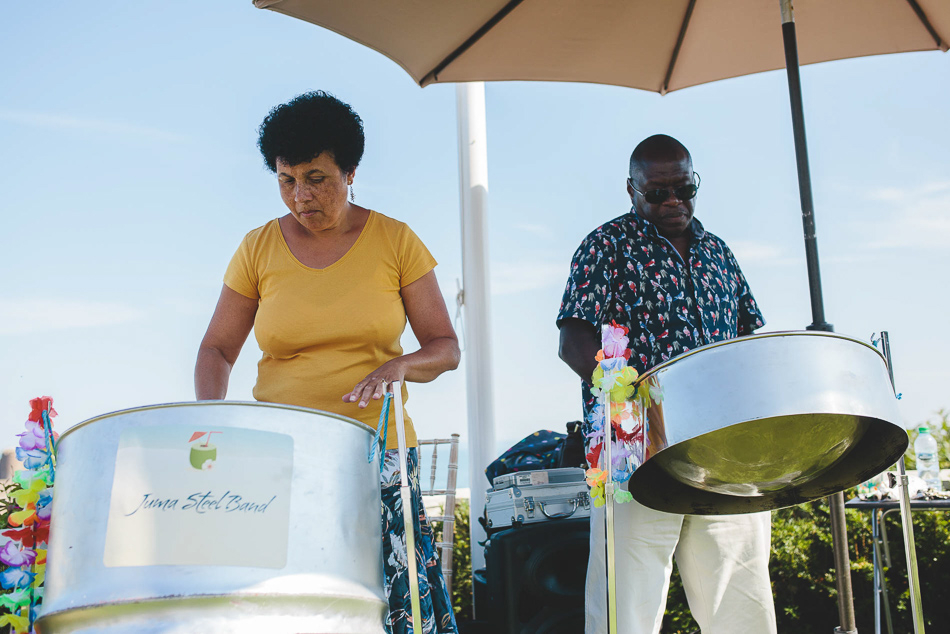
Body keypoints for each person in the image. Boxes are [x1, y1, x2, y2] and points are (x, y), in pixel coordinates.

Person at [194, 91, 460, 634]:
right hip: (280, 459)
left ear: (351, 171)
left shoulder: (396, 240)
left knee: (391, 605)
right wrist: (208, 418)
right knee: (293, 606)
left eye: (316, 177)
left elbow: (444, 347)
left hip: (377, 452)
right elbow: (217, 349)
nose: (300, 195)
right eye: (286, 180)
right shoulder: (257, 248)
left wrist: (399, 366)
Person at [556, 135, 777, 634]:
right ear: (631, 190)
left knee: (740, 601)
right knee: (626, 607)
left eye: (684, 187)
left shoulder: (718, 252)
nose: (674, 201)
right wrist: (636, 407)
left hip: (722, 445)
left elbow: (748, 342)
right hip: (632, 448)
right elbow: (573, 342)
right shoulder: (604, 246)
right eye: (658, 193)